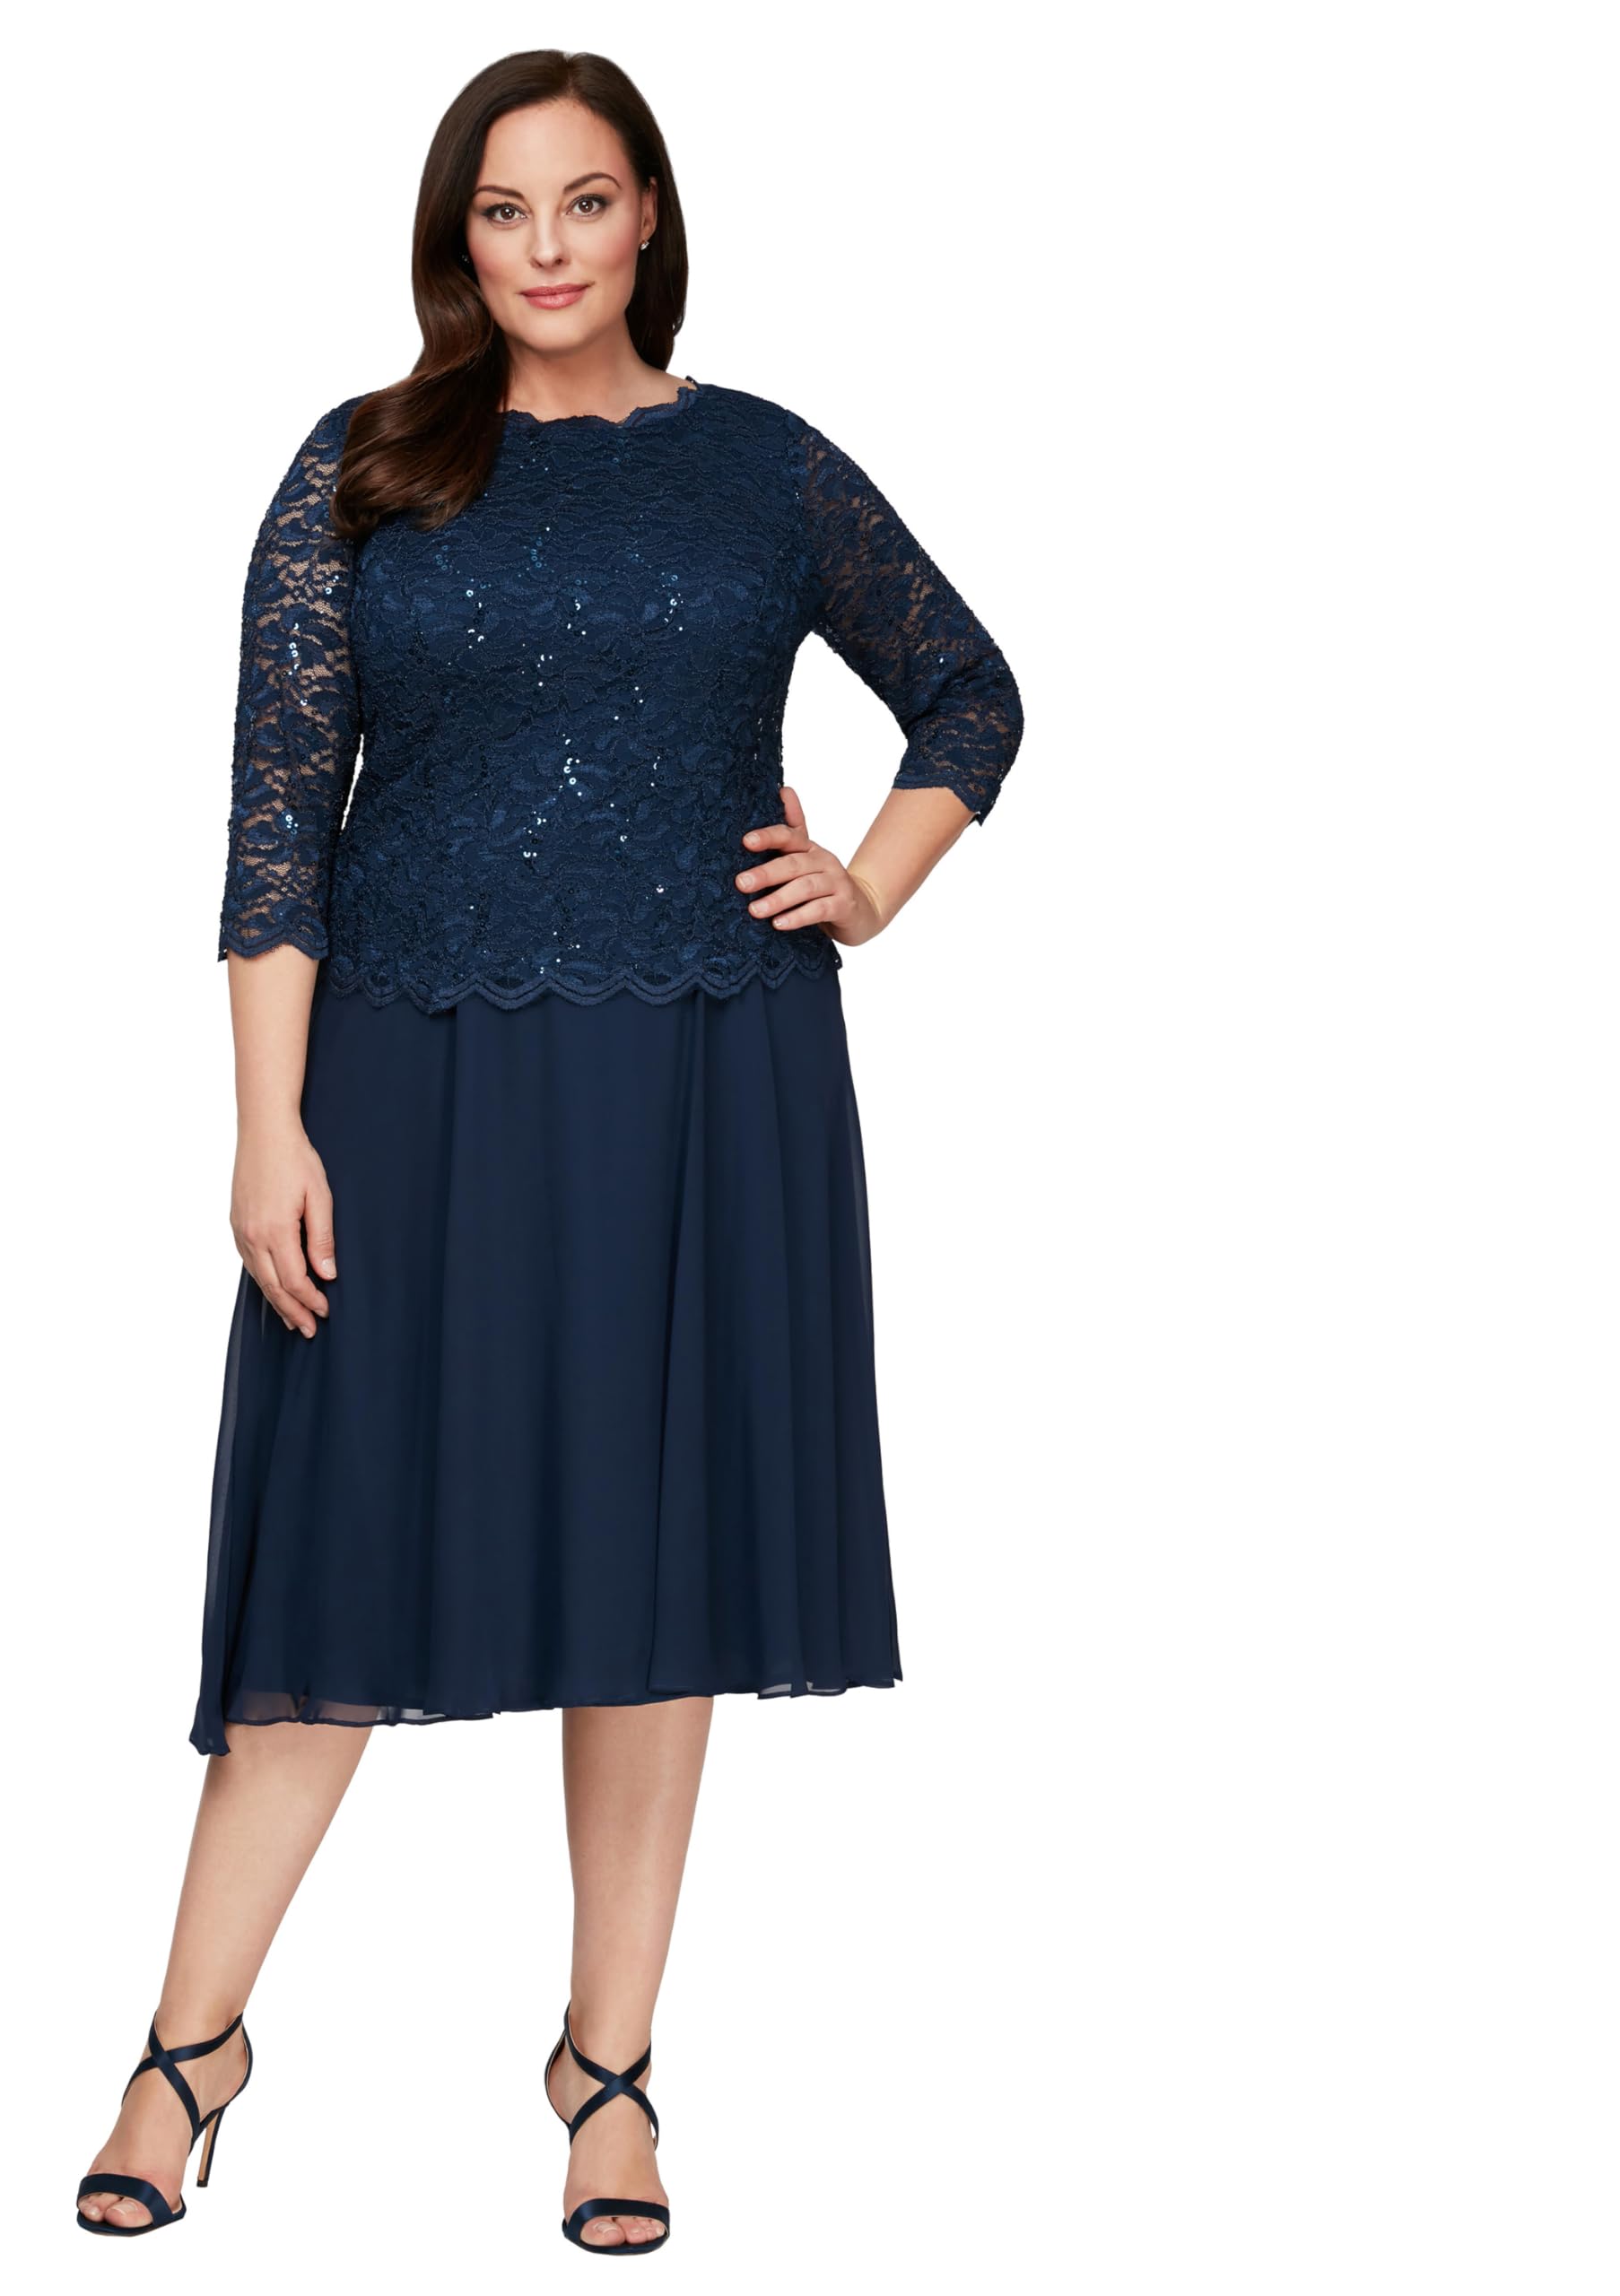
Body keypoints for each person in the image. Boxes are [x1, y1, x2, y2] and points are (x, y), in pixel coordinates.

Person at [74, 46, 1023, 2257]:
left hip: (704, 1066)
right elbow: (273, 822)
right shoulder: (363, 465)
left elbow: (969, 690)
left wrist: (867, 883)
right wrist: (264, 1125)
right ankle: (186, 2048)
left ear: (647, 215)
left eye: (583, 203)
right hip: (406, 1080)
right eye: (502, 212)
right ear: (456, 238)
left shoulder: (764, 467)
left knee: (653, 1568)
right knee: (335, 1562)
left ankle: (608, 2074)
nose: (546, 249)